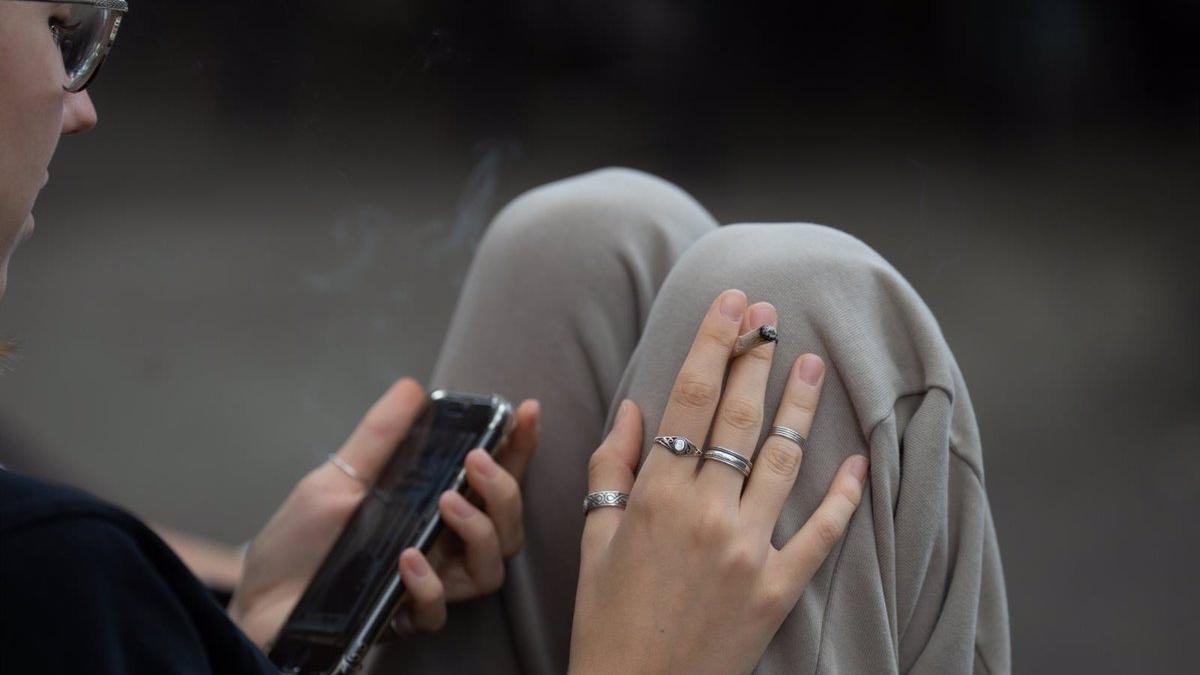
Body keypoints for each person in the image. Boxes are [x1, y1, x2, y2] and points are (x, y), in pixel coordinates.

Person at [1, 2, 1010, 674]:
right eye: (62, 27)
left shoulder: (65, 571)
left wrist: (245, 622)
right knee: (808, 301)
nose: (84, 103)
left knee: (581, 241)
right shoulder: (52, 571)